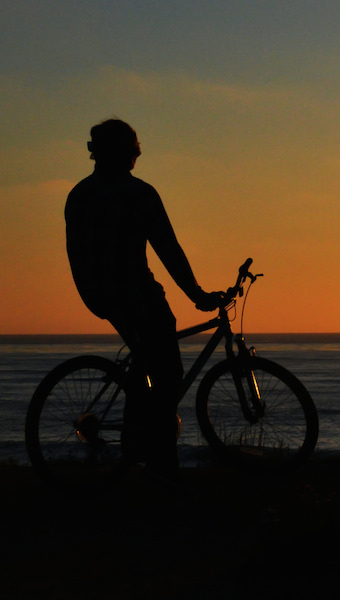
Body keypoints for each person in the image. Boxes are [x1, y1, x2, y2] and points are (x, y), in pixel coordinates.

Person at [65, 118, 222, 481]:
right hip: (134, 293)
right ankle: (162, 467)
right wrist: (197, 295)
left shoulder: (79, 194)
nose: (137, 155)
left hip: (97, 294)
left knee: (145, 364)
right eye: (134, 149)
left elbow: (76, 254)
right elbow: (169, 249)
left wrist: (93, 295)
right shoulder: (138, 193)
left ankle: (133, 448)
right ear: (128, 153)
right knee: (168, 377)